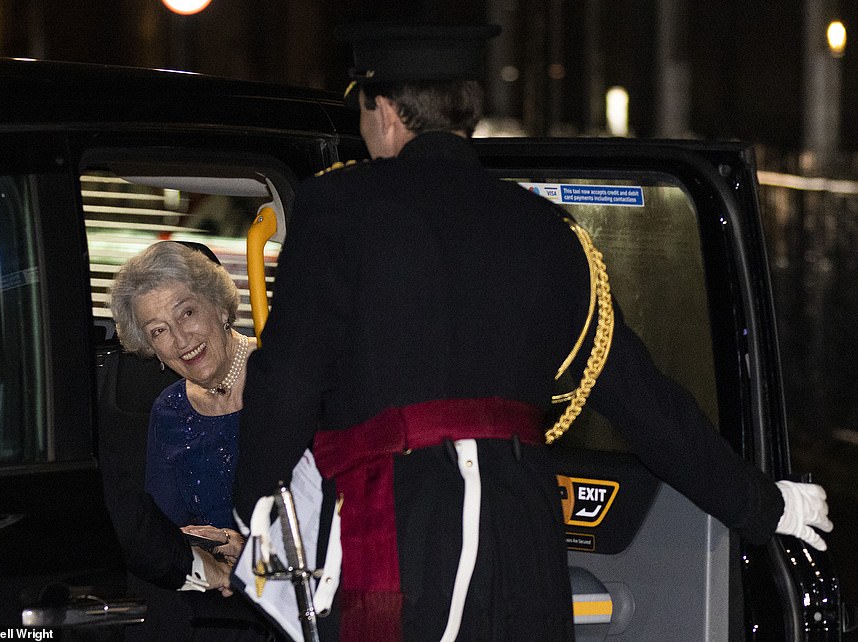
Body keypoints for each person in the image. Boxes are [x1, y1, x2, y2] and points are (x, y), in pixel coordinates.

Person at [234, 23, 833, 641]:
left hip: (395, 545)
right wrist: (766, 506)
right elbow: (644, 402)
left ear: (384, 110)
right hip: (523, 549)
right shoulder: (550, 230)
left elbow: (286, 388)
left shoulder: (335, 210)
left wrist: (250, 512)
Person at [105, 240, 272, 640]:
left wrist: (253, 549)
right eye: (159, 331)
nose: (181, 340)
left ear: (218, 305)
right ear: (150, 348)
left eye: (188, 312)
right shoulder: (168, 410)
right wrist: (214, 549)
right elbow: (165, 529)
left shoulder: (278, 376)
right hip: (220, 603)